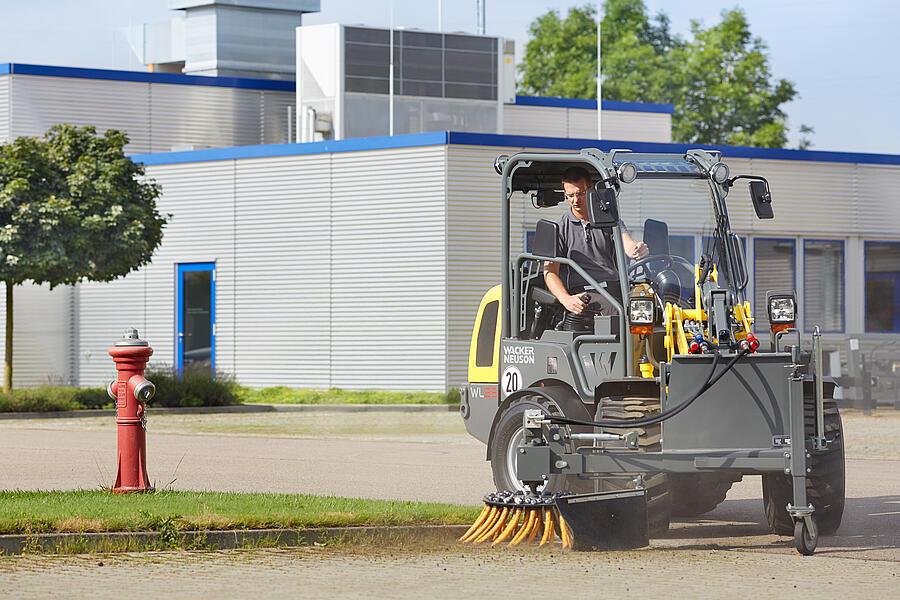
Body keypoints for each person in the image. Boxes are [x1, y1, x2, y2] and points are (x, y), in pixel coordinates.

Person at [544, 166, 649, 316]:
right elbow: (550, 271)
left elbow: (628, 244)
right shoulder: (560, 228)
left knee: (650, 306)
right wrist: (566, 299)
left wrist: (637, 249)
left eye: (580, 194)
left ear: (591, 190)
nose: (575, 200)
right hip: (583, 292)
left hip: (615, 288)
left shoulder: (610, 220)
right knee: (618, 312)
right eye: (570, 195)